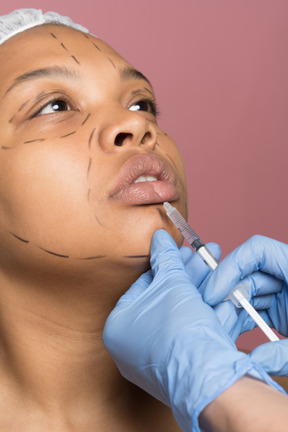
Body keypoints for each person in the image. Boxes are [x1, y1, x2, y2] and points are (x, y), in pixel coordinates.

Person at [0, 8, 286, 432]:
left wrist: (233, 399)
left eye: (142, 103)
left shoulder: (260, 398)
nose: (136, 123)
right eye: (55, 105)